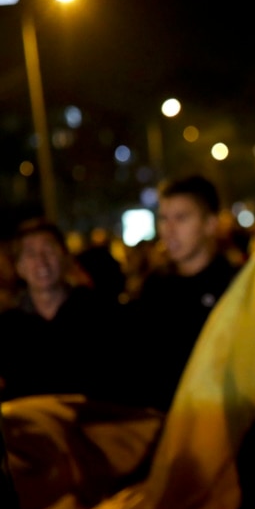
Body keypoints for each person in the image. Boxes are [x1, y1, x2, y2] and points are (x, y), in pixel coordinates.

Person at [125, 174, 239, 412]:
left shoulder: (235, 286)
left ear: (210, 223)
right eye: (164, 219)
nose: (169, 230)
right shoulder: (155, 288)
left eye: (181, 218)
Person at [0, 218, 124, 402]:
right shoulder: (8, 327)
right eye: (31, 254)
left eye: (49, 251)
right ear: (19, 267)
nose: (41, 261)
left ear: (65, 257)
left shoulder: (99, 313)